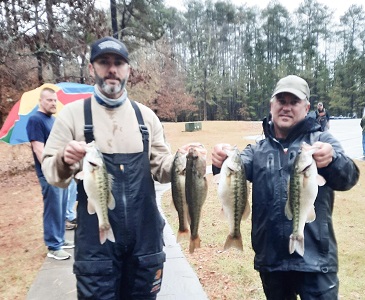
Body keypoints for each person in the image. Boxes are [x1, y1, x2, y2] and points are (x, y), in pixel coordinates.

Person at [41, 36, 178, 299]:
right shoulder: (72, 115)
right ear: (92, 68)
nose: (112, 69)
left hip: (145, 246)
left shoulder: (146, 117)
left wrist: (186, 162)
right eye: (104, 62)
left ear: (128, 70)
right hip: (96, 250)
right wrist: (63, 159)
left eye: (119, 63)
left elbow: (162, 167)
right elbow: (52, 174)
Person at [212, 75, 359, 299]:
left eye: (294, 102)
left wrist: (333, 160)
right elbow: (234, 172)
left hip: (316, 262)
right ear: (272, 105)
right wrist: (219, 161)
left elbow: (349, 178)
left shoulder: (322, 141)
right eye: (281, 101)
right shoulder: (257, 151)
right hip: (272, 261)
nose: (286, 108)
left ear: (307, 106)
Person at [26, 87, 75, 260]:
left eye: (55, 100)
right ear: (41, 101)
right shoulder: (35, 120)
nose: (53, 103)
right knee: (52, 208)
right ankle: (53, 246)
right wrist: (50, 170)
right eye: (49, 100)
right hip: (48, 174)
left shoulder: (53, 120)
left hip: (60, 171)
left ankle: (60, 239)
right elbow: (39, 149)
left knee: (61, 207)